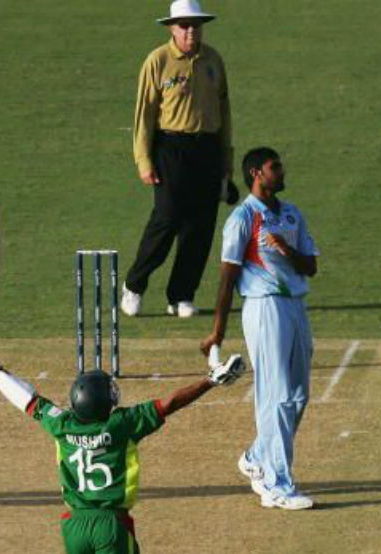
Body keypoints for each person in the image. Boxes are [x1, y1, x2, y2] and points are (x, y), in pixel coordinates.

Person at [0, 345, 244, 554]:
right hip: (110, 525)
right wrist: (210, 381)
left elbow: (28, 400)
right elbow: (170, 404)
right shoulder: (122, 424)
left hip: (73, 526)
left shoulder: (61, 424)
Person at [200, 147, 319, 510]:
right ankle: (276, 483)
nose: (281, 171)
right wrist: (218, 331)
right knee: (276, 394)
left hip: (296, 306)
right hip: (264, 307)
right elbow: (227, 277)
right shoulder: (242, 218)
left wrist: (285, 249)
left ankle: (256, 456)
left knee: (297, 396)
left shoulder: (292, 214)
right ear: (256, 173)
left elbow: (310, 267)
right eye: (274, 167)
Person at [121, 0, 237, 319]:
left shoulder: (213, 60)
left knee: (200, 226)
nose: (190, 32)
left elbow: (224, 111)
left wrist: (226, 161)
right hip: (171, 147)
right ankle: (134, 285)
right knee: (167, 218)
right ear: (172, 28)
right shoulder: (157, 61)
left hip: (208, 148)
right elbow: (144, 113)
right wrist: (143, 160)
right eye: (184, 26)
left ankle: (181, 295)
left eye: (195, 26)